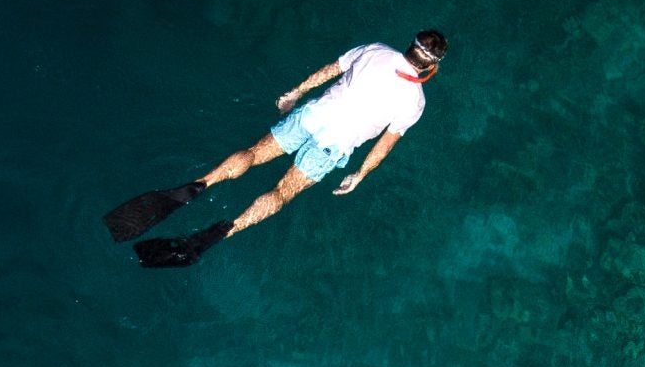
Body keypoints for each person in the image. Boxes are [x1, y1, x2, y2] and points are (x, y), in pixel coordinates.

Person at [106, 30, 448, 268]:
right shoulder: (415, 101)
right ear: (432, 66)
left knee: (253, 154)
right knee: (281, 193)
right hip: (334, 146)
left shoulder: (375, 50)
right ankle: (223, 231)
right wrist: (360, 174)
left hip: (311, 116)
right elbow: (385, 144)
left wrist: (294, 92)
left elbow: (330, 71)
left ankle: (199, 184)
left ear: (410, 45)